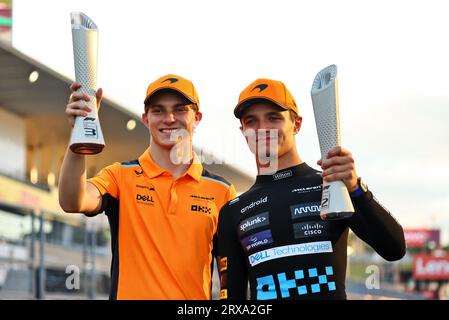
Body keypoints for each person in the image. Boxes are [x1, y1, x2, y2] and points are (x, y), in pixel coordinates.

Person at [217, 78, 406, 300]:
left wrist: (356, 188)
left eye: (274, 117)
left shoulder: (332, 184)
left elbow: (394, 248)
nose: (263, 129)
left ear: (296, 124)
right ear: (243, 131)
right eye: (251, 121)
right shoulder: (233, 211)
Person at [59, 74, 236, 300]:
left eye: (180, 109)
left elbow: (231, 278)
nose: (169, 118)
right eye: (158, 110)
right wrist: (80, 131)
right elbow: (72, 201)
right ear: (145, 118)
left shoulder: (221, 191)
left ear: (197, 117)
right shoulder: (120, 176)